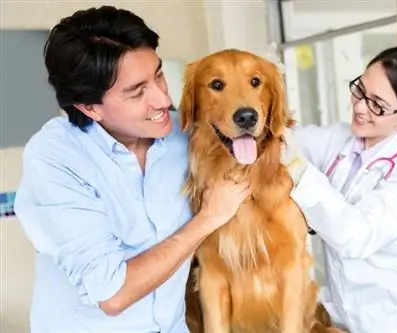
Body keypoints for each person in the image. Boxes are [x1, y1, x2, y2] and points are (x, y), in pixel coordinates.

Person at [13, 6, 250, 333]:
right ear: (89, 107)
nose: (162, 99)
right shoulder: (55, 156)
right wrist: (208, 218)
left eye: (159, 75)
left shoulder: (187, 134)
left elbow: (267, 155)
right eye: (138, 92)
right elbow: (111, 293)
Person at [280, 46, 397, 333]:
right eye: (360, 90)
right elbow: (288, 141)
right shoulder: (340, 139)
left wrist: (296, 167)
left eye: (377, 104)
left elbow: (356, 236)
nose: (359, 107)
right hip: (354, 318)